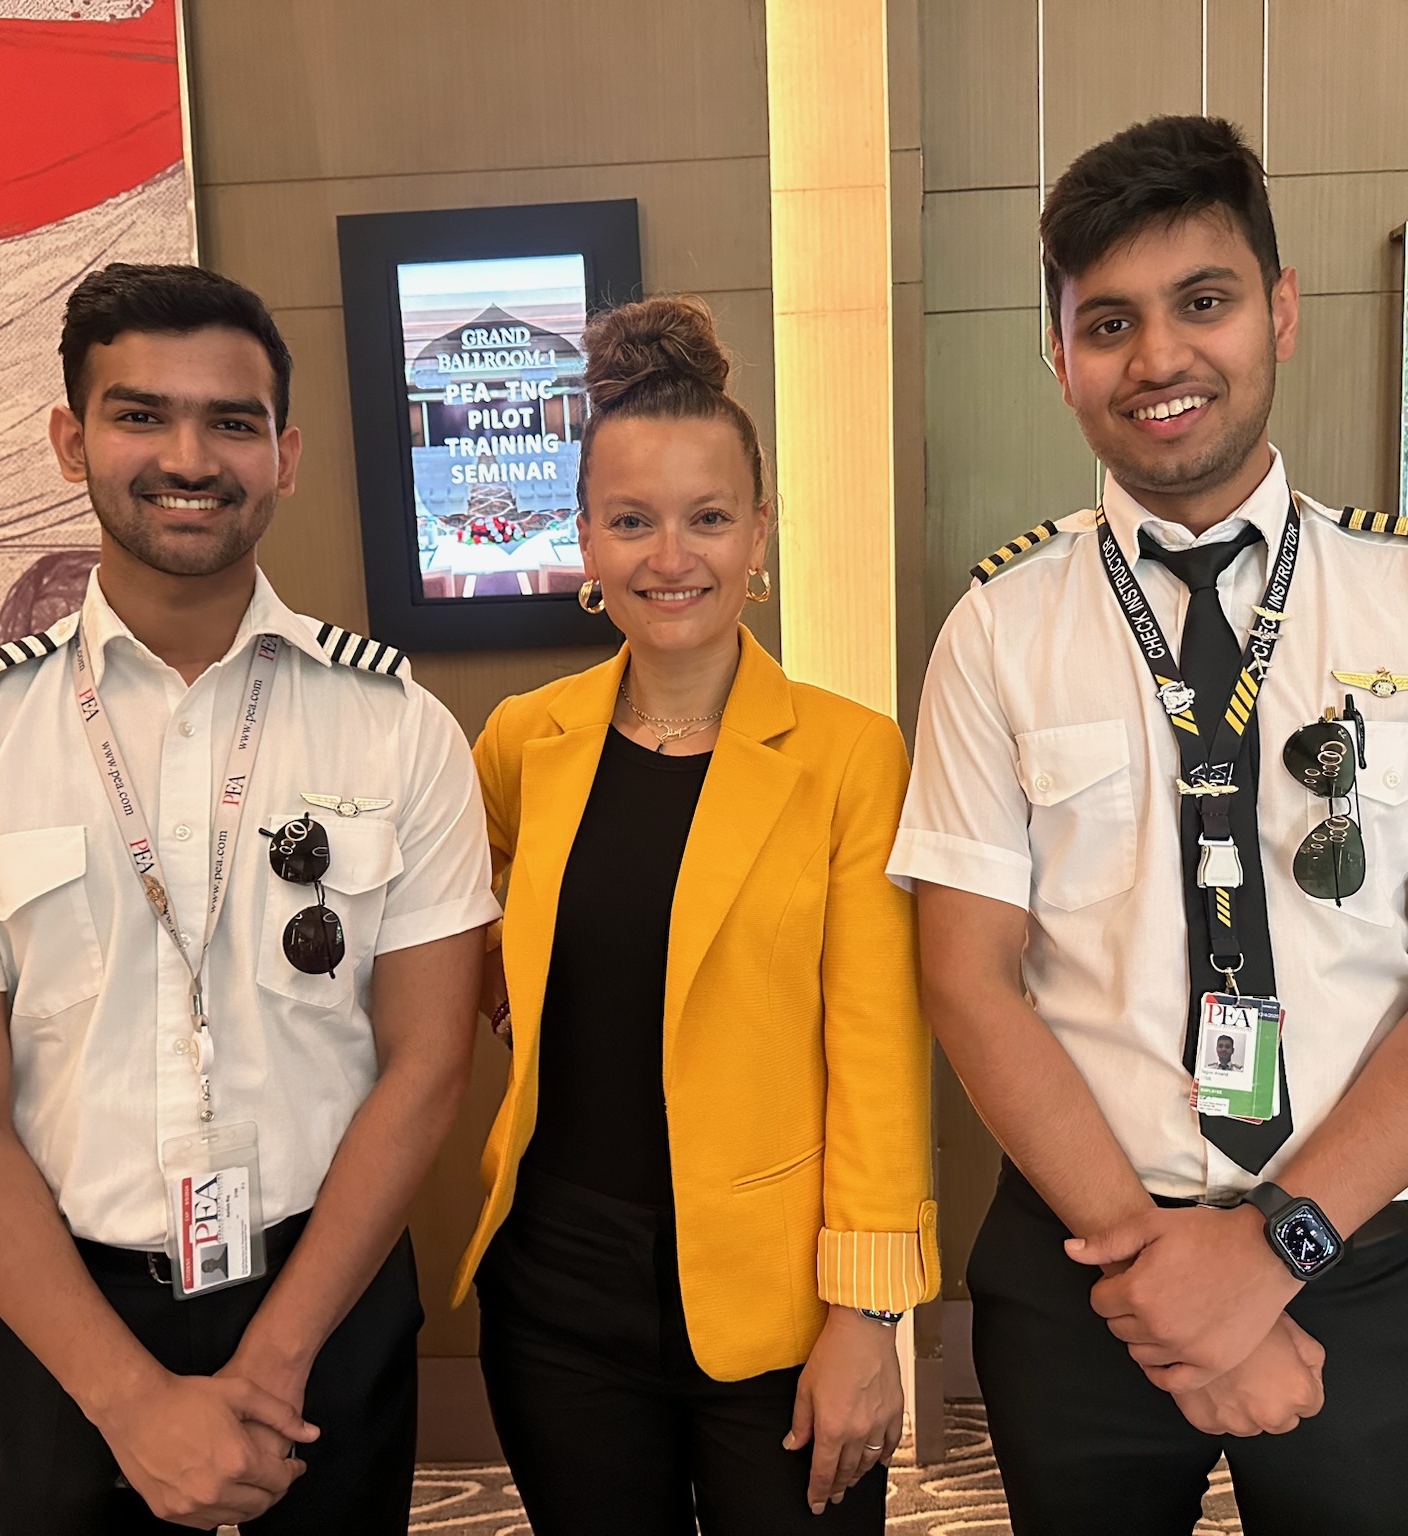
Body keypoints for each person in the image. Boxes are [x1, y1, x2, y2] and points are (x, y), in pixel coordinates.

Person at [888, 117, 1408, 1535]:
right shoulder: (996, 631)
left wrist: (1271, 1252)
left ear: (1280, 309)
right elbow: (966, 977)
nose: (1158, 358)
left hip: (1364, 1260)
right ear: (1058, 357)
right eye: (1107, 323)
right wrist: (1166, 1278)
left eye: (1201, 301)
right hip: (1087, 1266)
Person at [0, 263, 498, 1533]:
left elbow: (425, 1066)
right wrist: (130, 1401)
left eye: (231, 422)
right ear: (70, 440)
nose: (189, 458)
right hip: (66, 1320)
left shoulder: (398, 731)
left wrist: (275, 1360)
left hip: (325, 1301)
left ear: (284, 456)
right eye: (140, 415)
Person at [451, 295, 939, 1534]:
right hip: (557, 1289)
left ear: (758, 529)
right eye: (631, 521)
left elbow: (877, 1056)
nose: (669, 556)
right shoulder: (523, 742)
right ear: (584, 538)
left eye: (707, 518)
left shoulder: (848, 755)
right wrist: (513, 999)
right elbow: (464, 925)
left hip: (781, 1306)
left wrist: (867, 1314)